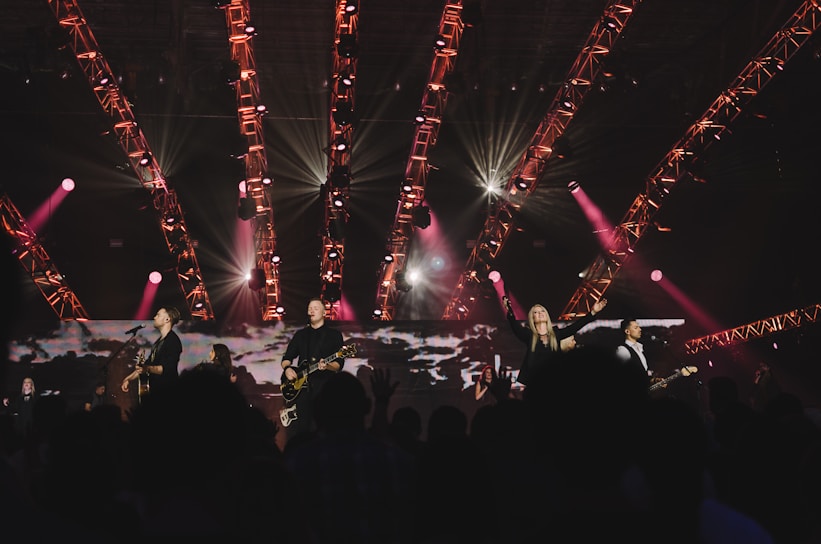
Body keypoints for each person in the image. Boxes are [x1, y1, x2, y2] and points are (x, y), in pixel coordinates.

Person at [280, 297, 346, 445]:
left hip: (325, 389)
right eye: (310, 308)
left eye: (316, 308)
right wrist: (287, 368)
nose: (312, 310)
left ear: (324, 313)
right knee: (302, 430)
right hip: (302, 390)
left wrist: (327, 366)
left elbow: (338, 363)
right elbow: (287, 358)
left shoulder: (334, 335)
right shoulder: (301, 335)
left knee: (325, 429)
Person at [504, 296, 607, 387]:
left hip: (553, 382)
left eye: (542, 311)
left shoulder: (556, 334)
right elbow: (515, 327)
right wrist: (510, 311)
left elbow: (575, 327)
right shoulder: (529, 335)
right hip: (535, 383)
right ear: (532, 318)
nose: (540, 313)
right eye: (536, 312)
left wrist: (592, 312)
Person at [121, 306, 183, 399]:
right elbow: (147, 365)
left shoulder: (172, 341)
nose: (154, 317)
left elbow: (168, 368)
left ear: (167, 319)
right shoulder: (158, 342)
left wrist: (147, 368)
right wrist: (128, 379)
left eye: (158, 315)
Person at [615, 318, 654, 387]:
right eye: (636, 328)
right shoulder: (623, 350)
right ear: (627, 331)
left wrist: (654, 380)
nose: (640, 329)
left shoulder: (640, 348)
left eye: (639, 327)